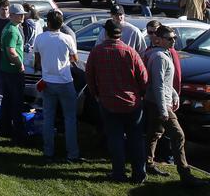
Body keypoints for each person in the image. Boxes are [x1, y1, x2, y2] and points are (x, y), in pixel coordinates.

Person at [85, 19, 148, 184]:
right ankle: (138, 174)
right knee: (136, 138)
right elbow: (144, 78)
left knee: (115, 139)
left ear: (106, 33)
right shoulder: (130, 52)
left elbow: (89, 77)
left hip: (108, 103)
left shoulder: (97, 52)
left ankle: (118, 173)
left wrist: (96, 94)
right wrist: (140, 94)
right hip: (131, 103)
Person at [143, 25, 205, 185]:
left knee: (154, 133)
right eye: (170, 38)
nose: (173, 41)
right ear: (160, 39)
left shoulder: (165, 54)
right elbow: (158, 85)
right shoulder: (159, 57)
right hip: (159, 103)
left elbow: (166, 82)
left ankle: (147, 163)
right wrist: (164, 109)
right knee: (178, 135)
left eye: (174, 38)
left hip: (159, 101)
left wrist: (175, 94)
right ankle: (186, 175)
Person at [33, 10, 81, 163]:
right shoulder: (66, 38)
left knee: (48, 117)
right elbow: (75, 58)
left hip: (48, 81)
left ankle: (48, 151)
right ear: (61, 24)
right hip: (65, 81)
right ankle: (72, 153)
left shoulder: (40, 38)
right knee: (70, 118)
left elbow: (37, 61)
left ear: (47, 23)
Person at [0, 3, 27, 144]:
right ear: (12, 15)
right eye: (19, 14)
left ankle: (5, 128)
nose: (22, 16)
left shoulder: (11, 28)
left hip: (6, 69)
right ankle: (18, 134)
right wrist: (19, 64)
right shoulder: (12, 30)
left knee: (8, 100)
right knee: (16, 102)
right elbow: (11, 51)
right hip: (13, 71)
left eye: (23, 14)